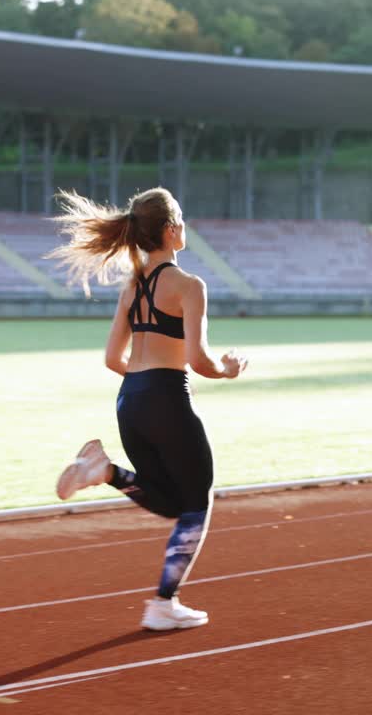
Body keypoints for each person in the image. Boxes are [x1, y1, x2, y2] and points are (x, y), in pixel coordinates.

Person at [48, 187, 248, 631]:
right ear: (172, 229)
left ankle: (106, 472)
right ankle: (163, 602)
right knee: (196, 505)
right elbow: (199, 361)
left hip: (129, 401)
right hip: (165, 398)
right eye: (182, 220)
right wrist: (229, 370)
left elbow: (112, 359)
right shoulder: (189, 286)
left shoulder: (131, 287)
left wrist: (144, 386)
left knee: (171, 500)